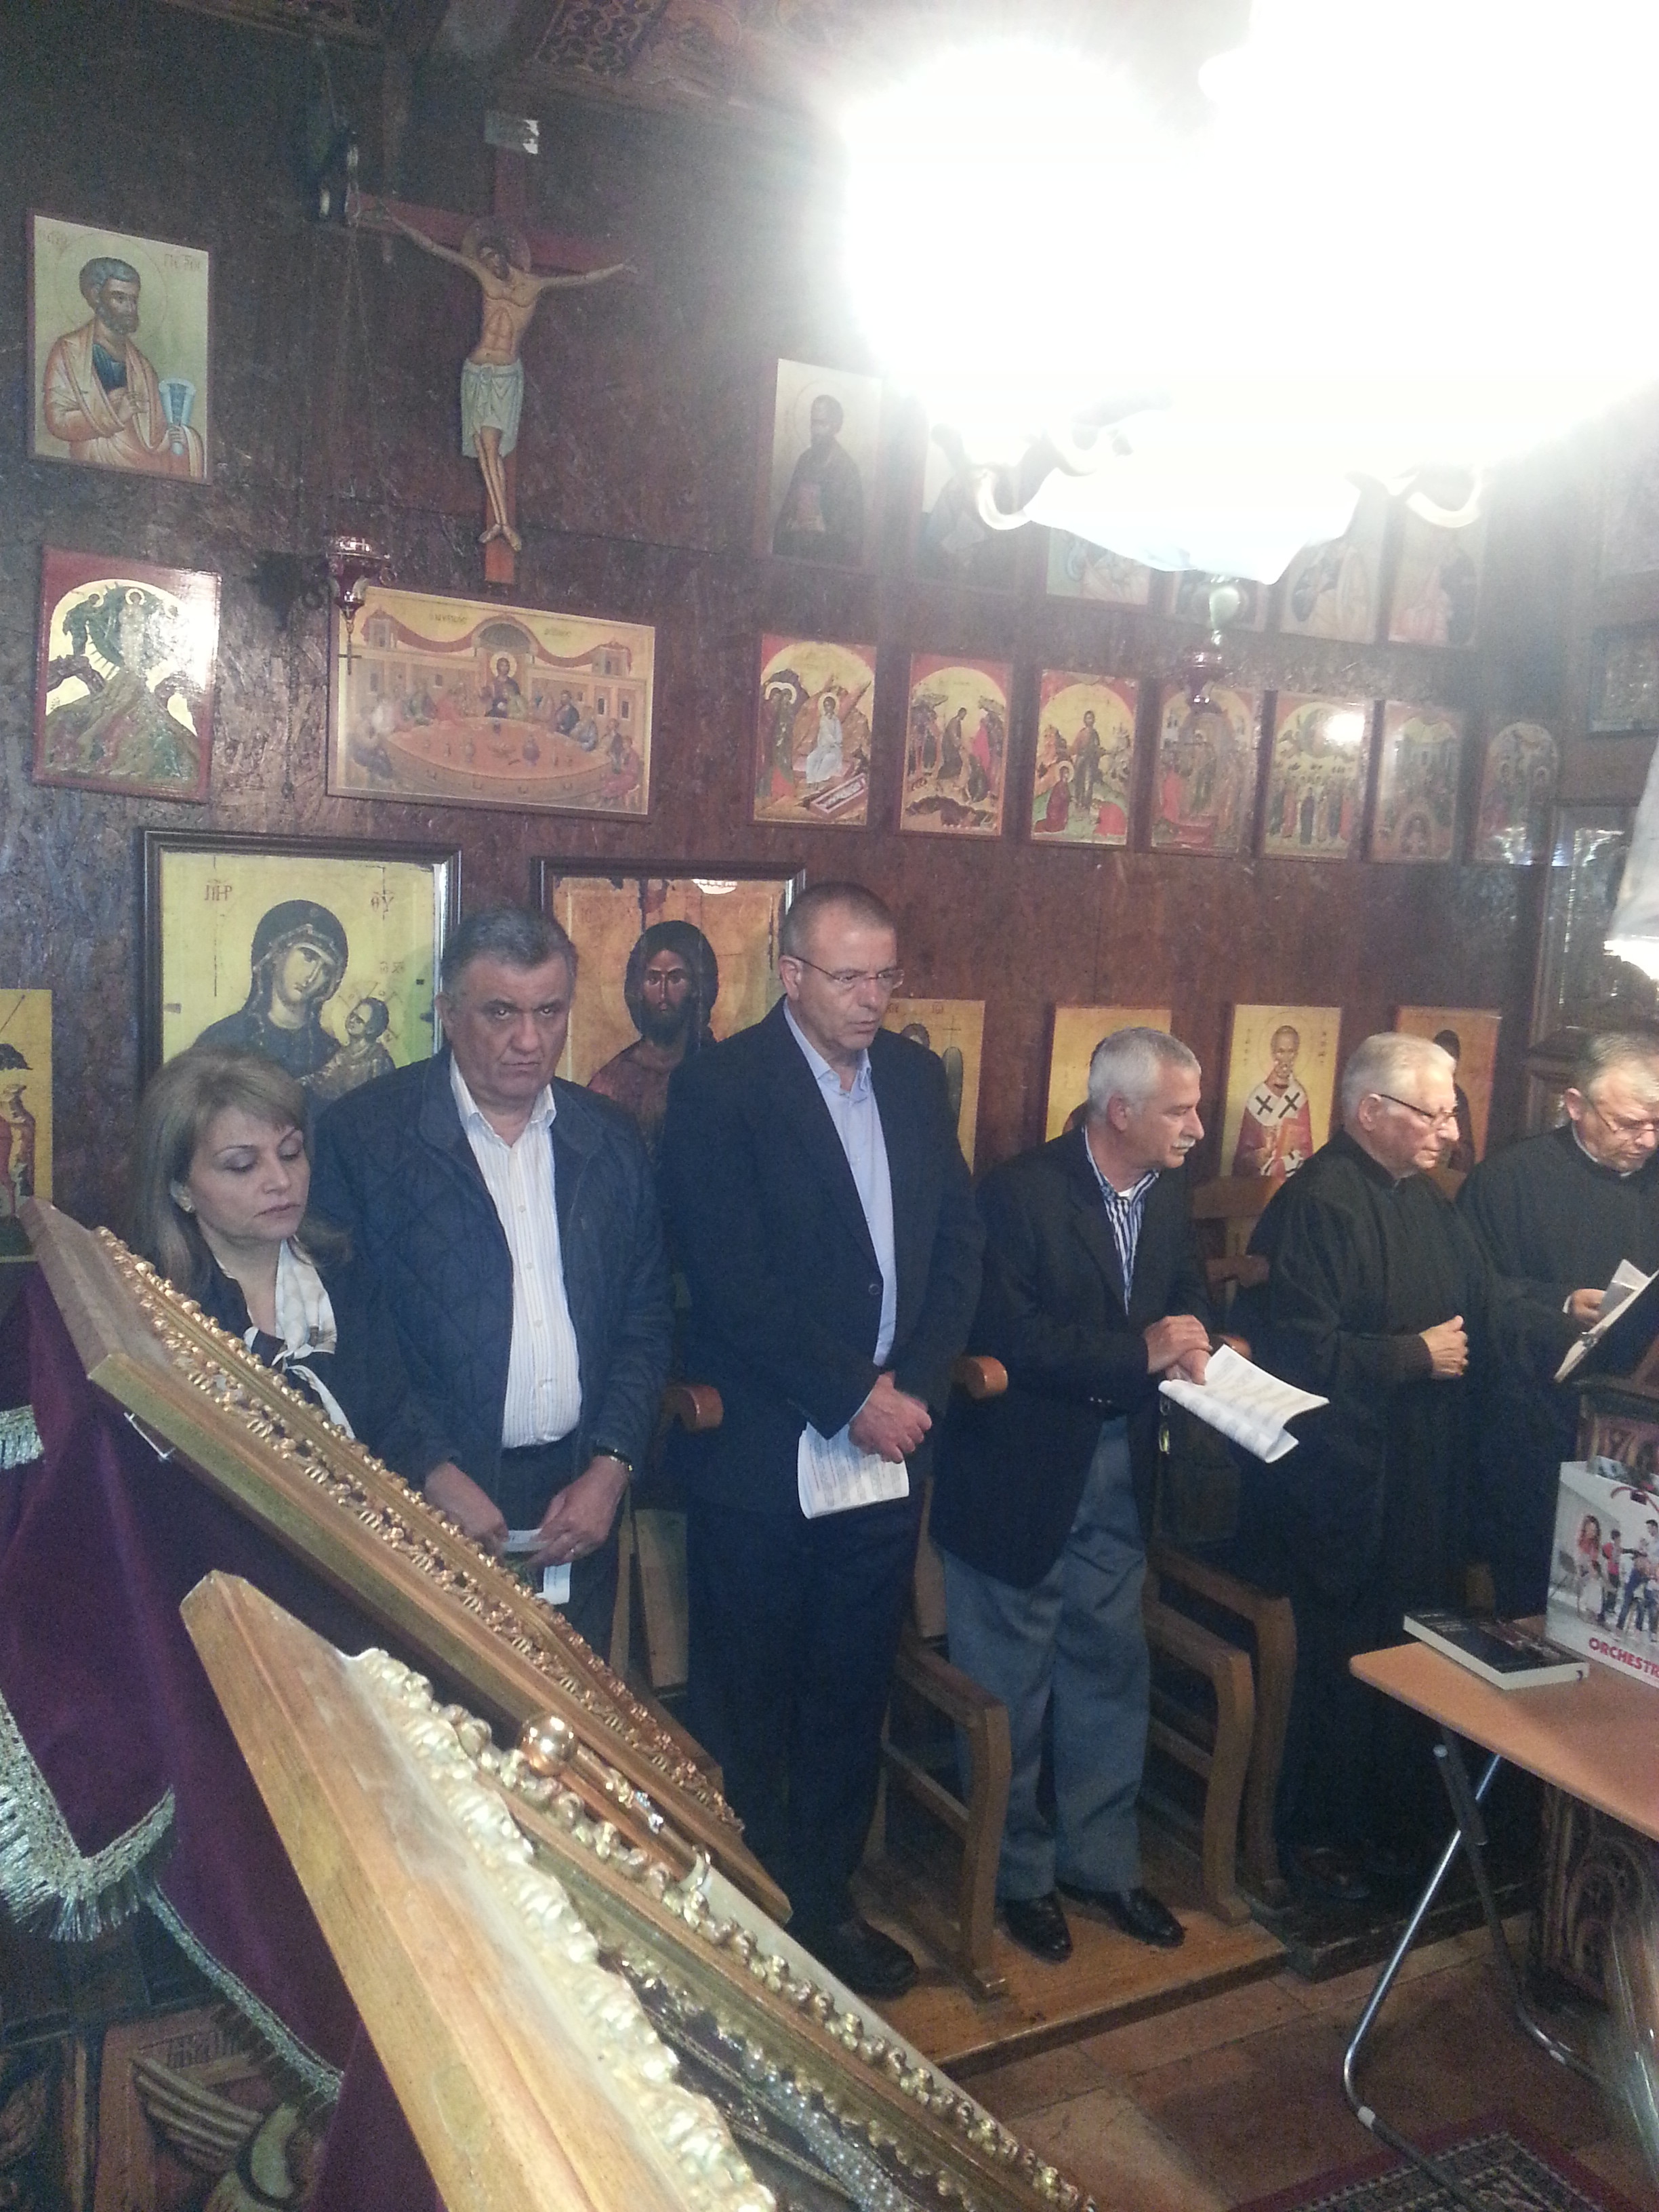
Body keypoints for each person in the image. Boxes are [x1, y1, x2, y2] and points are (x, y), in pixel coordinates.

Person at [659, 882, 983, 1997]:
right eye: (848, 976)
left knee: (851, 1683)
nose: (871, 997)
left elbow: (959, 1243)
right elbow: (730, 1281)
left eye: (886, 975)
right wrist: (852, 1395)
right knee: (751, 1692)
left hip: (889, 1446)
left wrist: (914, 1390)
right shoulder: (722, 1086)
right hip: (769, 1442)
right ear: (790, 974)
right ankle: (748, 1912)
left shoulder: (911, 1077)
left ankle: (830, 1905)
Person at [311, 907, 672, 1656]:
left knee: (566, 1711)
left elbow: (645, 1322)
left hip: (579, 1494)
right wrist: (431, 1472)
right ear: (448, 1014)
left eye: (549, 1011)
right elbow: (345, 1335)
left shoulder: (608, 1138)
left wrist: (612, 1467)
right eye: (501, 1012)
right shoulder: (365, 1137)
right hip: (426, 1496)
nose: (529, 1040)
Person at [931, 1029, 1212, 1962]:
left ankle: (1102, 1863)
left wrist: (1205, 1343)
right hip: (1018, 1471)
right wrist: (1141, 1352)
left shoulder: (1167, 1194)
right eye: (1180, 1111)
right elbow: (1009, 1337)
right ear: (1119, 1112)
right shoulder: (1019, 1194)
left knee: (1110, 1666)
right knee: (1010, 1686)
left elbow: (1189, 1299)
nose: (1198, 1129)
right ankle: (1017, 1878)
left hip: (1122, 1462)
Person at [1233, 1033, 1501, 1899]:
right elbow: (1297, 1355)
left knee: (1414, 1632)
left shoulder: (1426, 1197)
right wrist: (1413, 1356)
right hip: (1337, 1482)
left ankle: (1397, 1818)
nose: (1451, 1133)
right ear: (1370, 1112)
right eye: (1435, 1115)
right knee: (1345, 1650)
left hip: (1419, 1471)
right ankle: (1318, 1828)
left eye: (1452, 1114)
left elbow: (1483, 1301)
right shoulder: (1319, 1204)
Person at [131, 1047, 448, 1486]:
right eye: (242, 1165)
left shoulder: (344, 1274)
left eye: (291, 1153)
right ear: (181, 1189)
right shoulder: (149, 1299)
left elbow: (393, 1421)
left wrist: (439, 1475)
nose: (281, 1181)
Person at [1457, 1032, 1659, 1612]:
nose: (1648, 1141)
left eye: (1657, 1123)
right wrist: (1563, 1303)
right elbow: (1473, 1293)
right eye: (1628, 1124)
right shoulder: (1509, 1181)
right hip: (1539, 1411)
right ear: (1575, 1105)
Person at [374, 207, 630, 552]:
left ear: (504, 254)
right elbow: (436, 249)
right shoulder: (485, 278)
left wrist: (618, 269)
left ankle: (504, 524)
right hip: (477, 370)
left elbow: (580, 279)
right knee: (483, 448)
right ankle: (500, 523)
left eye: (492, 256)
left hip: (504, 376)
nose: (489, 264)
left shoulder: (534, 284)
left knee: (492, 447)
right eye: (483, 259)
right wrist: (399, 224)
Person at [41, 255, 205, 479]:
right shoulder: (69, 351)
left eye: (133, 300)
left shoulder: (142, 367)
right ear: (96, 296)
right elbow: (57, 420)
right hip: (92, 470)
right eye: (119, 298)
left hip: (142, 472)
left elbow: (155, 434)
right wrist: (114, 415)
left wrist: (173, 437)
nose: (129, 308)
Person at [588, 920, 719, 1158]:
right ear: (638, 987)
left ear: (697, 987)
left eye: (676, 979)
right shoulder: (611, 1083)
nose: (663, 994)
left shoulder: (718, 1069)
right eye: (653, 979)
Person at [196, 901, 348, 1084]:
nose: (312, 976)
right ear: (277, 953)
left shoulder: (332, 1054)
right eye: (308, 957)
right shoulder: (223, 1039)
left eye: (325, 970)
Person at [771, 394, 865, 566]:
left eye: (823, 424)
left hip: (829, 563)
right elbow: (785, 517)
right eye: (814, 423)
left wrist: (825, 529)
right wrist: (792, 524)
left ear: (836, 426)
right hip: (797, 559)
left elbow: (853, 532)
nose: (816, 430)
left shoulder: (847, 471)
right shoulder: (804, 462)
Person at [1231, 1024, 1315, 1182]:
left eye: (1291, 1051)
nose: (1285, 1059)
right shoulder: (1257, 1098)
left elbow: (1306, 1149)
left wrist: (1290, 1159)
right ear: (1273, 1052)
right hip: (1258, 1185)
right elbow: (1242, 1157)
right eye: (1281, 1051)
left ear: (1296, 1054)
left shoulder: (1299, 1097)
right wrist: (1259, 1156)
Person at [1434, 1029, 1477, 1173]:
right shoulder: (1417, 1088)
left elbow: (1465, 1150)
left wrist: (1455, 1145)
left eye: (1451, 1056)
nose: (1444, 1061)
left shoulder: (1458, 1096)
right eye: (1440, 1055)